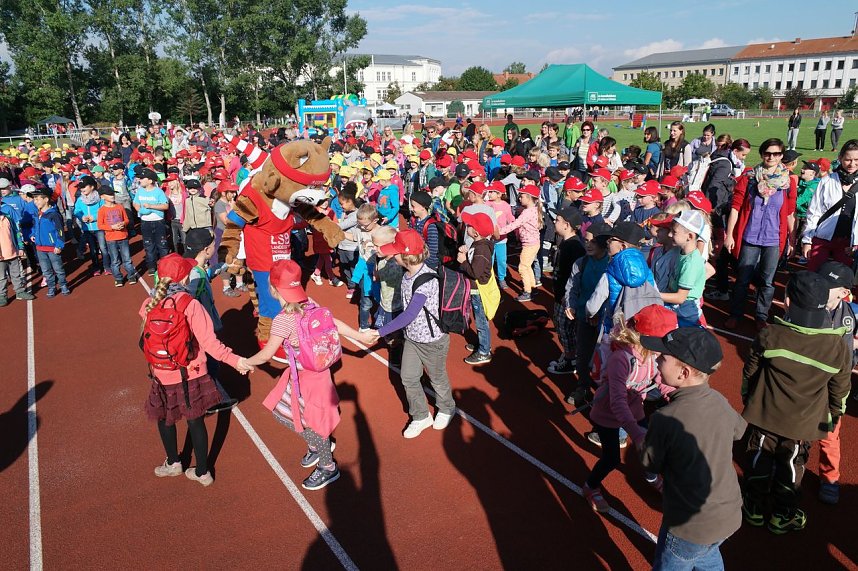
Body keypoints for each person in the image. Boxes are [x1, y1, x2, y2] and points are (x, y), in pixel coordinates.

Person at [740, 271, 851, 534]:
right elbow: (840, 391)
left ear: (788, 301)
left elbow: (750, 374)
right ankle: (783, 514)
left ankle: (753, 507)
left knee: (758, 456)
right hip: (804, 423)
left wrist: (749, 400)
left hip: (765, 414)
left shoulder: (771, 335)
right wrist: (833, 415)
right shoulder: (837, 347)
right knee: (791, 464)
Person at [639, 327, 746, 571]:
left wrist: (639, 436)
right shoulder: (719, 400)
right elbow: (738, 431)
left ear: (684, 373)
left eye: (663, 357)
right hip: (727, 512)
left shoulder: (665, 418)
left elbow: (649, 462)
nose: (657, 360)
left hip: (689, 524)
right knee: (706, 555)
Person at [141, 254, 251, 487]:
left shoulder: (148, 303)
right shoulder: (191, 305)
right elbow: (211, 344)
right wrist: (236, 361)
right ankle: (202, 471)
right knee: (195, 421)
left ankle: (173, 462)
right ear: (184, 278)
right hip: (192, 373)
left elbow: (144, 341)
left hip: (162, 374)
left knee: (165, 417)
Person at [582, 305, 678, 513]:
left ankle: (652, 477)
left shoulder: (652, 354)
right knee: (611, 458)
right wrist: (636, 433)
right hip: (608, 414)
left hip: (635, 409)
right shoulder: (621, 359)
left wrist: (680, 398)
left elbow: (662, 381)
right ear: (647, 337)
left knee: (650, 450)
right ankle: (590, 486)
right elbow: (617, 402)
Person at [372, 230, 457, 438]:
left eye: (396, 253)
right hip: (412, 338)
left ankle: (447, 407)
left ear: (406, 257)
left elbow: (409, 314)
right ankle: (420, 416)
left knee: (437, 378)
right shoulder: (407, 274)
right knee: (408, 377)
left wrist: (380, 332)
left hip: (432, 341)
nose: (393, 255)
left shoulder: (426, 281)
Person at [724, 139, 795, 330]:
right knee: (742, 278)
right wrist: (729, 235)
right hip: (750, 236)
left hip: (774, 238)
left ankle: (761, 316)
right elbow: (735, 208)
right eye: (767, 153)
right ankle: (735, 313)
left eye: (776, 154)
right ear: (762, 154)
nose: (771, 157)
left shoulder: (788, 182)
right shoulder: (749, 178)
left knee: (767, 281)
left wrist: (792, 238)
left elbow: (790, 213)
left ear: (781, 156)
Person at [814, 261, 857, 505]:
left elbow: (849, 353)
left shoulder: (850, 315)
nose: (820, 286)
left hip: (834, 386)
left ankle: (830, 478)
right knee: (795, 429)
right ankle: (787, 462)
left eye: (827, 285)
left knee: (830, 434)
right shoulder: (809, 307)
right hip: (808, 382)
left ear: (844, 292)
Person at [801, 140, 858, 271]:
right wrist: (807, 241)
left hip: (848, 244)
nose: (852, 164)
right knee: (815, 276)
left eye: (856, 160)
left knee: (842, 280)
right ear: (840, 158)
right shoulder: (826, 181)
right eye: (848, 159)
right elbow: (814, 212)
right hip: (822, 239)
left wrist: (856, 244)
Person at [547, 206, 585, 376]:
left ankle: (571, 360)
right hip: (560, 294)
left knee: (566, 329)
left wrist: (567, 297)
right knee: (560, 325)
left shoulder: (574, 247)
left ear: (567, 225)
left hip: (566, 297)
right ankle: (569, 354)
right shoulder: (565, 242)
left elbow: (575, 276)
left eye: (557, 220)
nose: (554, 223)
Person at [458, 211, 495, 365]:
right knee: (479, 319)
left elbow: (475, 272)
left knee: (481, 322)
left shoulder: (482, 249)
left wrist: (463, 261)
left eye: (469, 225)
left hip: (478, 291)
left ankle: (484, 351)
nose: (467, 226)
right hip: (476, 290)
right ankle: (482, 343)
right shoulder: (478, 245)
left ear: (476, 232)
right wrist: (467, 253)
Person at [661, 210, 707, 327]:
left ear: (690, 236)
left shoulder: (691, 263)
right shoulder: (681, 252)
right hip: (678, 307)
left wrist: (653, 294)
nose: (669, 235)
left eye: (674, 232)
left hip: (686, 313)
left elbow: (680, 297)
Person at [498, 183, 542, 302]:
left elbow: (515, 224)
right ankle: (533, 287)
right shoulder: (533, 210)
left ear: (529, 198)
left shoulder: (527, 212)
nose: (519, 198)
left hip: (529, 244)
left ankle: (527, 292)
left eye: (522, 196)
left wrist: (499, 231)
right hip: (534, 243)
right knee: (528, 266)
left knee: (522, 267)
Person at [96, 187, 138, 286]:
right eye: (110, 194)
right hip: (111, 239)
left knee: (127, 259)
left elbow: (126, 219)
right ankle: (118, 278)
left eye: (113, 194)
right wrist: (112, 227)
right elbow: (100, 225)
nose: (112, 196)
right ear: (102, 197)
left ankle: (131, 275)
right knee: (115, 260)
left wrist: (123, 223)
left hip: (123, 236)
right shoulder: (102, 210)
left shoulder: (119, 207)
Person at [31, 188, 69, 297]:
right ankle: (51, 287)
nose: (35, 202)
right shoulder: (36, 214)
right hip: (40, 248)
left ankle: (63, 285)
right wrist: (33, 234)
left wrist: (59, 245)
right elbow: (35, 227)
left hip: (52, 248)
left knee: (58, 269)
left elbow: (60, 231)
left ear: (46, 199)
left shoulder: (54, 215)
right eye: (34, 199)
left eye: (37, 199)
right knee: (46, 271)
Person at [133, 167, 169, 275]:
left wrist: (150, 206)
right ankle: (152, 266)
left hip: (158, 221)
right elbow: (135, 203)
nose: (140, 180)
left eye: (142, 178)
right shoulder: (140, 191)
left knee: (162, 245)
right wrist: (139, 210)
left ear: (150, 180)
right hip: (145, 222)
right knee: (148, 245)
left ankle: (165, 266)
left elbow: (165, 206)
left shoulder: (158, 192)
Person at [0, 191, 34, 305]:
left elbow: (16, 233)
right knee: (1, 277)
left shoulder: (8, 218)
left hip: (12, 252)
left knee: (16, 274)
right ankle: (2, 295)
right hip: (1, 256)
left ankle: (20, 291)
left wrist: (20, 247)